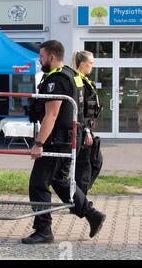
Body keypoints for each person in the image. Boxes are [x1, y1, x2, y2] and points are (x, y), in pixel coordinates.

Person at [24, 40, 106, 244]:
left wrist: (39, 143)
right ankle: (91, 213)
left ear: (51, 57)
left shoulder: (57, 79)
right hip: (70, 137)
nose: (40, 60)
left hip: (58, 139)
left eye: (41, 57)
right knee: (59, 181)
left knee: (38, 184)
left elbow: (51, 114)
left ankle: (44, 231)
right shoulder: (71, 74)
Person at [71, 50, 103, 195]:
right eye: (91, 63)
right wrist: (86, 131)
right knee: (85, 167)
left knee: (95, 162)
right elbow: (80, 109)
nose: (93, 66)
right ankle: (78, 201)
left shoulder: (84, 80)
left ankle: (78, 197)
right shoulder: (78, 81)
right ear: (83, 64)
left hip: (86, 128)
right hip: (82, 130)